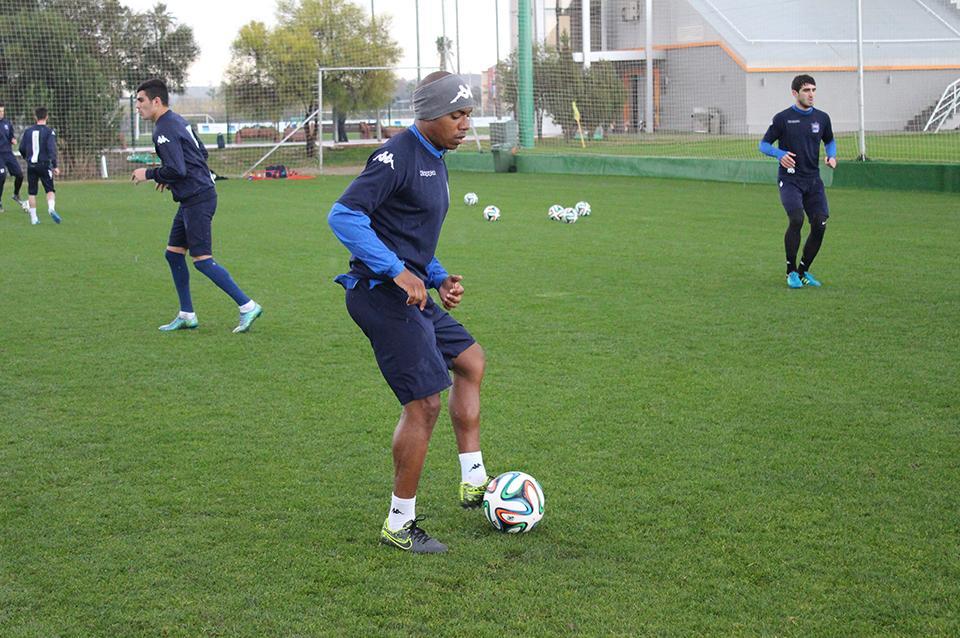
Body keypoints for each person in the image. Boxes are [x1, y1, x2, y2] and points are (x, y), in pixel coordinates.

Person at [328, 71, 491, 554]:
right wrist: (397, 270)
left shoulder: (436, 158)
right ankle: (399, 524)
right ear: (429, 114)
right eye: (456, 115)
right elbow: (344, 215)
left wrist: (436, 276)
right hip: (379, 294)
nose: (465, 125)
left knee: (470, 361)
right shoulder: (396, 156)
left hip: (410, 293)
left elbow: (408, 233)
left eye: (468, 115)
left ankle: (473, 481)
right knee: (424, 404)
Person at [131, 78, 262, 333]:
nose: (137, 106)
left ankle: (247, 306)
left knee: (202, 260)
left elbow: (178, 169)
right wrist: (169, 178)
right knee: (173, 254)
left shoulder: (163, 129)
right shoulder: (178, 121)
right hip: (194, 196)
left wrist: (149, 174)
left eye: (140, 100)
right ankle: (187, 314)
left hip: (198, 198)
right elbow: (201, 153)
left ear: (156, 101)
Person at [759, 74, 837, 288]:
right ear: (795, 93)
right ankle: (791, 271)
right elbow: (763, 144)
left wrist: (831, 156)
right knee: (796, 219)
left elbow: (829, 141)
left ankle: (803, 271)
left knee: (820, 224)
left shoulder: (822, 118)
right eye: (806, 90)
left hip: (813, 181)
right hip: (790, 179)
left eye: (813, 90)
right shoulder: (783, 118)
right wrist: (779, 154)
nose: (811, 94)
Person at [18, 107, 60, 225]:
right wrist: (55, 166)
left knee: (32, 192)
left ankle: (34, 218)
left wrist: (27, 158)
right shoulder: (49, 131)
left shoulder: (28, 131)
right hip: (44, 164)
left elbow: (21, 148)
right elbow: (51, 149)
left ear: (35, 117)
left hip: (31, 165)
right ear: (47, 117)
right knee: (50, 190)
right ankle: (51, 209)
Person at [0, 101, 26, 213]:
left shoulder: (7, 123)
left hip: (8, 153)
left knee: (20, 175)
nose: (1, 113)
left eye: (2, 111)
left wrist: (13, 139)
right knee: (2, 176)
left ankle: (16, 194)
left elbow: (11, 136)